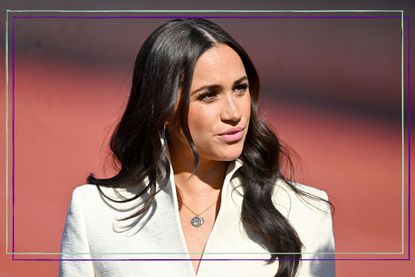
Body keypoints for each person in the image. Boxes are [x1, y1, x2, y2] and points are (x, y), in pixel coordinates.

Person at [59, 18, 335, 277]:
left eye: (240, 89)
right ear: (163, 107)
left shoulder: (306, 213)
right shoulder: (94, 211)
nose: (234, 112)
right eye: (209, 95)